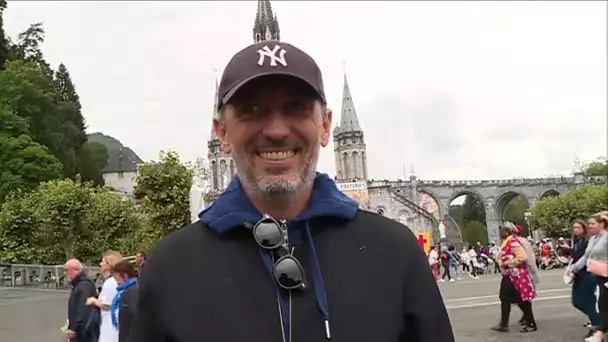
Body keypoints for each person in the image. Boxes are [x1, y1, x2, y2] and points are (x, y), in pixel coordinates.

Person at [129, 40, 454, 342]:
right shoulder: (170, 268)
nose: (276, 130)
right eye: (252, 110)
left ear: (326, 127)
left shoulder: (396, 253)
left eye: (296, 108)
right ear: (222, 133)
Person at [491, 223, 537, 333]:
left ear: (507, 232)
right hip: (511, 275)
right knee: (510, 298)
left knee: (515, 299)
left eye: (502, 231)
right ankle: (505, 323)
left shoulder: (512, 242)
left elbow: (522, 256)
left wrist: (509, 263)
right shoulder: (508, 242)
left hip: (515, 275)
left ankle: (528, 323)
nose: (500, 233)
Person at [569, 213, 608, 342]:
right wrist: (574, 267)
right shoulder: (593, 239)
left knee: (603, 304)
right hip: (598, 274)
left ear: (601, 224)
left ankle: (599, 331)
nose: (589, 226)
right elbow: (586, 256)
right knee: (602, 304)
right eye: (589, 224)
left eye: (592, 223)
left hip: (605, 274)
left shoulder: (606, 238)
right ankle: (599, 331)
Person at [565, 219, 601, 339]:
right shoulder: (577, 241)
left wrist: (569, 251)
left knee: (588, 301)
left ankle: (597, 325)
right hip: (579, 274)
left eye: (578, 227)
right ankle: (597, 320)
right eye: (574, 228)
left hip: (588, 273)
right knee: (577, 302)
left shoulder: (586, 241)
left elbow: (583, 257)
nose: (576, 230)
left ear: (583, 228)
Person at [86, 251, 122, 342]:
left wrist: (93, 300)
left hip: (109, 323)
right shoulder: (113, 281)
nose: (100, 264)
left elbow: (107, 305)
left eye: (103, 261)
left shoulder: (110, 282)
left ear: (109, 265)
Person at [64, 259, 98, 342]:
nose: (65, 273)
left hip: (83, 334)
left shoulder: (84, 285)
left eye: (67, 270)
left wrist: (75, 329)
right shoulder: (80, 284)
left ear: (76, 270)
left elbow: (84, 310)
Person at [109, 260, 139, 342]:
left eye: (116, 274)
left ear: (125, 275)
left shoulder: (132, 292)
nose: (114, 277)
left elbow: (134, 316)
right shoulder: (124, 291)